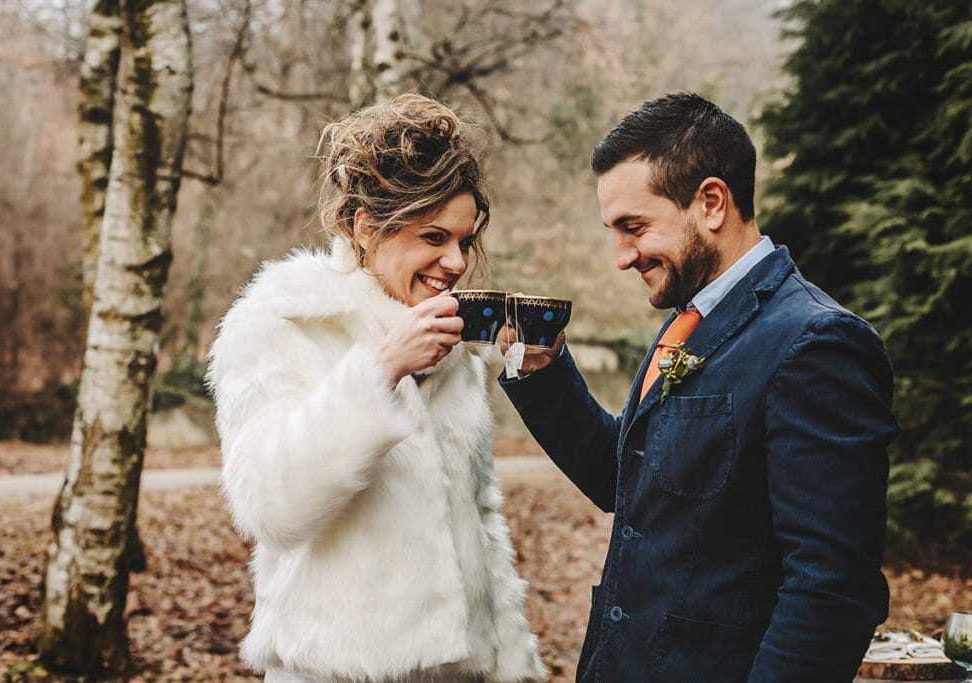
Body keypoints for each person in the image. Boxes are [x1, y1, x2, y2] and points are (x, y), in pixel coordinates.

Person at [499, 92, 898, 682]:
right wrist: (542, 370)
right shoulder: (690, 320)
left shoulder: (817, 344)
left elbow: (833, 590)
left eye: (634, 227)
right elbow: (628, 479)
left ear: (712, 202)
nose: (621, 256)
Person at [208, 94, 545, 683]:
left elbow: (481, 523)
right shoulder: (284, 320)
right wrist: (378, 372)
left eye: (464, 241)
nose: (455, 261)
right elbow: (269, 507)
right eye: (434, 237)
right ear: (366, 227)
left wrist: (514, 666)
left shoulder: (449, 347)